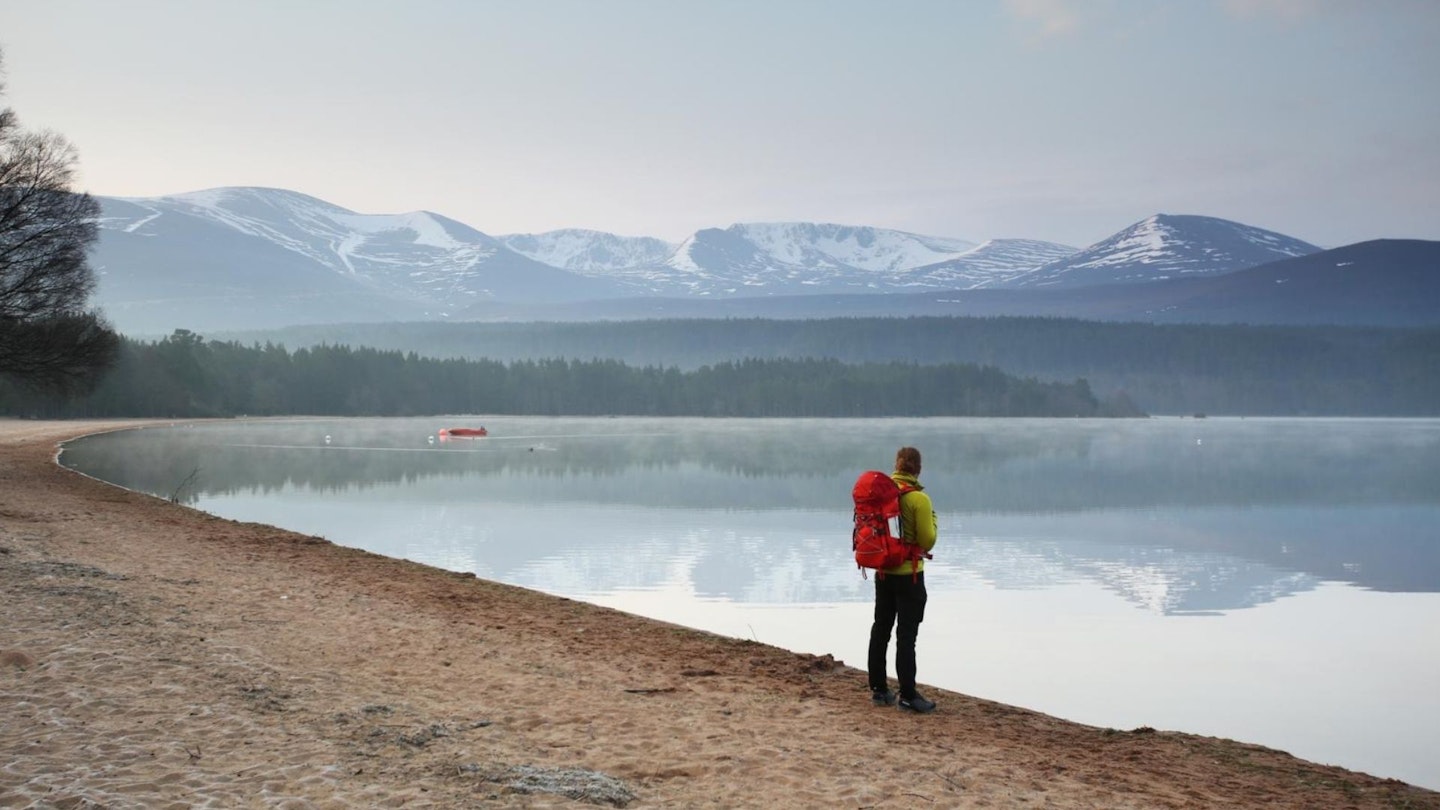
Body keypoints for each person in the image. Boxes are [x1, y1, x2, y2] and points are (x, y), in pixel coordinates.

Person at [867, 446, 938, 713]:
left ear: (896, 465)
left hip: (883, 572)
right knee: (906, 636)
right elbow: (927, 539)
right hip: (909, 575)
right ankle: (908, 695)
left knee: (880, 628)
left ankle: (879, 690)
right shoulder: (919, 500)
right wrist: (934, 519)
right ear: (918, 469)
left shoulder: (880, 494)